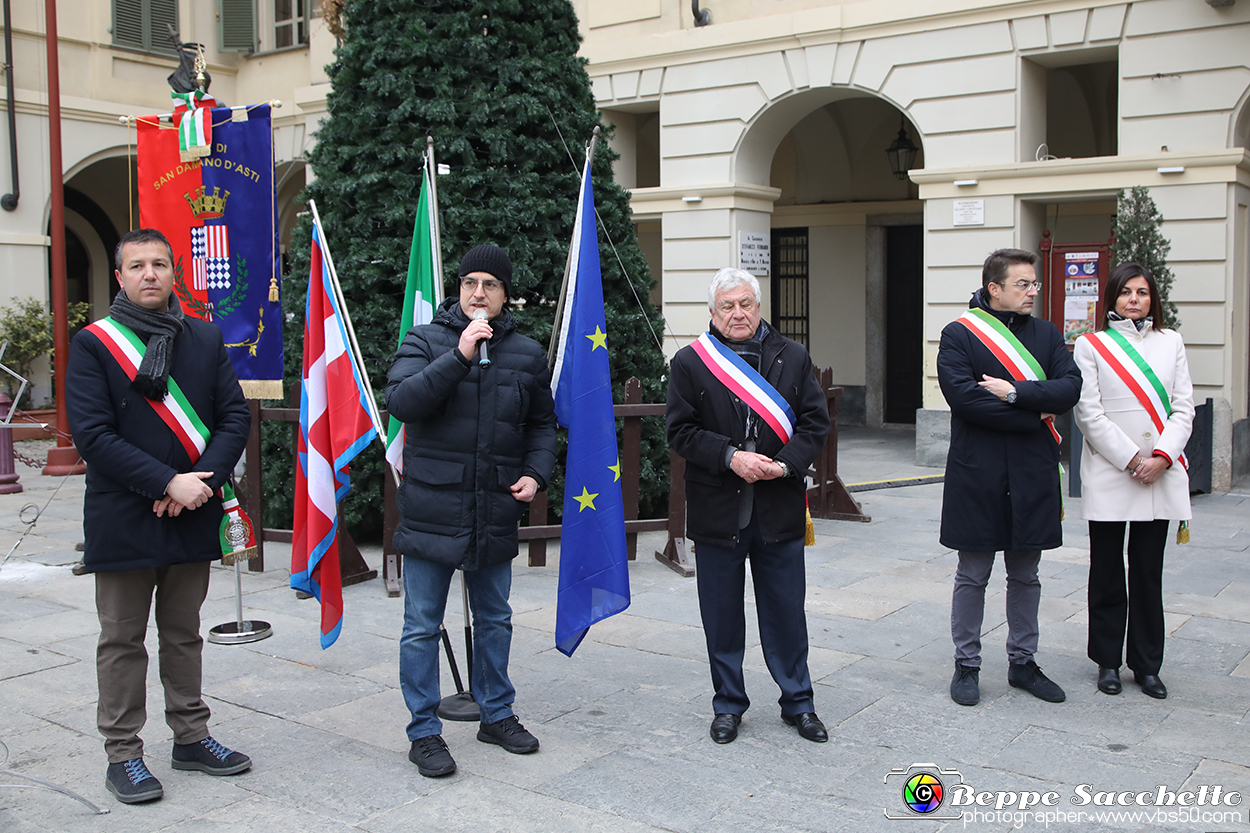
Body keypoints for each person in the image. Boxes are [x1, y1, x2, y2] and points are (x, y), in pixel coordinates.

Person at [65, 228, 253, 804]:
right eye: (138, 265)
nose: (151, 274)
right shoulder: (95, 344)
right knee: (122, 639)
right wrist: (166, 480)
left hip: (191, 509)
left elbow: (233, 419)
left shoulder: (203, 336)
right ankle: (123, 753)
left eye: (161, 265)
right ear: (119, 277)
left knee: (183, 633)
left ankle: (191, 738)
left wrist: (198, 484)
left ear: (176, 274)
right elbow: (93, 436)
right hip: (124, 512)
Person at [386, 244, 557, 778]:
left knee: (496, 619)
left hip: (494, 505)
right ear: (457, 289)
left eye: (490, 285)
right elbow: (404, 403)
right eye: (469, 283)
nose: (478, 294)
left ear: (506, 295)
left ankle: (496, 713)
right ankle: (424, 732)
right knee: (421, 626)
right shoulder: (424, 339)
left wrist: (537, 472)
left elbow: (541, 425)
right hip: (433, 506)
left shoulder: (527, 353)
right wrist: (459, 355)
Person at [666, 267, 831, 745]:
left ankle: (798, 702)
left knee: (785, 611)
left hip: (778, 506)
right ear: (712, 312)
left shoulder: (792, 355)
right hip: (719, 508)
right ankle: (728, 705)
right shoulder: (690, 362)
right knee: (721, 615)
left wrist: (785, 466)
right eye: (727, 306)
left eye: (746, 304)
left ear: (759, 307)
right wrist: (730, 456)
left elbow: (814, 424)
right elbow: (681, 431)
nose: (737, 314)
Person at [938, 248, 1081, 707]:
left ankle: (1023, 662)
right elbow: (964, 401)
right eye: (1024, 284)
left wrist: (1015, 392)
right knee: (973, 573)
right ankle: (967, 664)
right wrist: (1034, 410)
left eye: (1034, 283)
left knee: (1026, 573)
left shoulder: (1047, 333)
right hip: (977, 470)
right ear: (994, 288)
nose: (1033, 291)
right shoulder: (959, 334)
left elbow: (1070, 388)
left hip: (1031, 470)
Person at [1073, 263, 1193, 700]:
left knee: (1147, 571)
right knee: (1106, 570)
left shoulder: (1171, 341)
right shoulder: (1092, 345)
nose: (1134, 300)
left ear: (1152, 298)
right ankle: (1107, 660)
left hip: (1158, 473)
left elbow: (1183, 407)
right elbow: (1089, 412)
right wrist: (1130, 459)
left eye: (1142, 292)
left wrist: (1161, 457)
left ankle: (1147, 664)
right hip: (1112, 471)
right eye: (1126, 292)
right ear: (1112, 299)